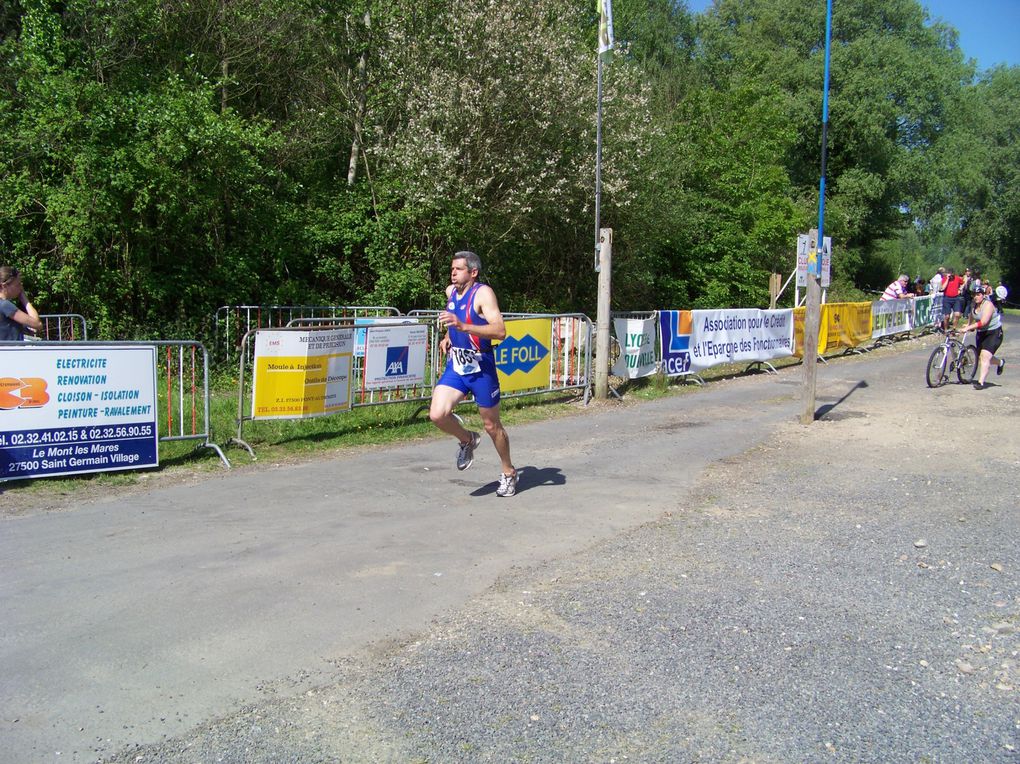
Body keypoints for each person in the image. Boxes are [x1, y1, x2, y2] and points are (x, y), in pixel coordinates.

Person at [429, 251, 518, 497]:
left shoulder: (483, 294)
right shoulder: (450, 292)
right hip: (457, 366)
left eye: (458, 269)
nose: (453, 273)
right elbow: (454, 320)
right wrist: (449, 336)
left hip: (481, 368)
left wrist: (462, 326)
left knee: (492, 425)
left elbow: (500, 331)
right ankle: (467, 440)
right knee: (437, 415)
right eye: (452, 269)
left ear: (473, 272)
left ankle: (508, 472)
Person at [958, 286, 1004, 390]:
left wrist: (970, 327)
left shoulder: (988, 305)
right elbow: (971, 315)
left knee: (985, 356)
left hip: (994, 333)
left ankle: (981, 382)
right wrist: (968, 324)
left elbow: (983, 322)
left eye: (978, 294)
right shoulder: (973, 304)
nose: (976, 297)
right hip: (981, 333)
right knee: (984, 357)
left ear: (983, 295)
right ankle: (1000, 362)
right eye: (974, 294)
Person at [0, 265, 42, 341]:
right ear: (5, 286)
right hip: (12, 351)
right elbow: (37, 324)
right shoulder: (5, 305)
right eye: (18, 284)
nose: (21, 288)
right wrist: (24, 299)